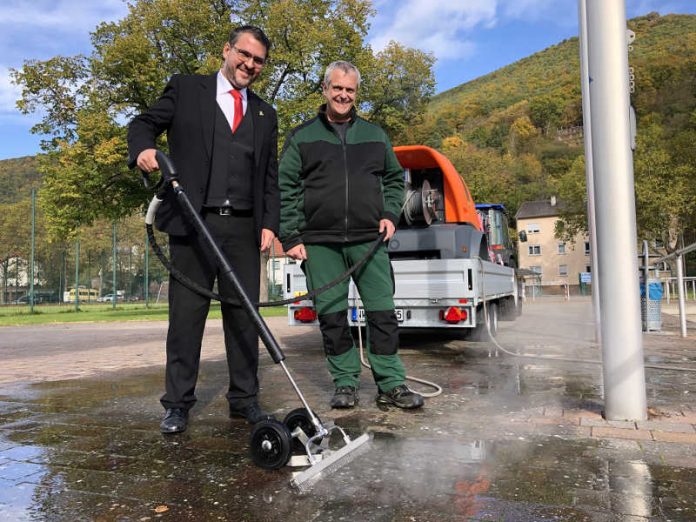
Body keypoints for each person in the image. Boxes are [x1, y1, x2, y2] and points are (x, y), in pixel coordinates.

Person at [128, 26, 279, 434]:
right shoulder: (186, 89)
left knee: (244, 317)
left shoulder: (266, 114)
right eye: (244, 54)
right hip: (193, 224)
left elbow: (270, 177)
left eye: (258, 60)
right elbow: (143, 124)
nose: (250, 64)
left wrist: (269, 225)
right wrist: (143, 149)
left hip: (245, 230)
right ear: (227, 50)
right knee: (185, 318)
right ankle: (177, 403)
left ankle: (244, 399)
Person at [278, 61, 424, 410]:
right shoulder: (302, 137)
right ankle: (345, 383)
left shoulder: (375, 136)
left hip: (369, 241)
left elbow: (393, 179)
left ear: (356, 94)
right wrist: (291, 236)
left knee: (383, 315)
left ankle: (391, 383)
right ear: (325, 89)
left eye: (350, 90)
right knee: (332, 319)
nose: (344, 95)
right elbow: (284, 188)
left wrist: (390, 214)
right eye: (337, 88)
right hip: (319, 243)